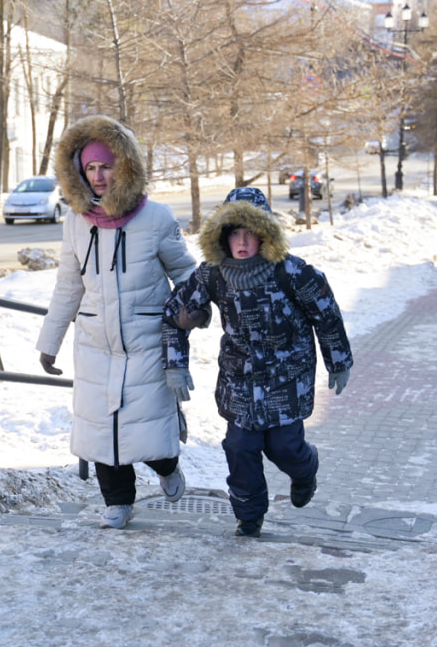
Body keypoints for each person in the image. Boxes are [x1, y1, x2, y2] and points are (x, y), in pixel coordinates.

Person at [36, 114, 198, 530]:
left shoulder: (157, 218)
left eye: (105, 165)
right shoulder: (75, 222)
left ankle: (167, 467)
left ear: (124, 165)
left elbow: (186, 274)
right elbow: (68, 286)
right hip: (94, 341)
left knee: (147, 429)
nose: (98, 176)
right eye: (89, 168)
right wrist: (49, 341)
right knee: (101, 429)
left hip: (146, 340)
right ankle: (118, 501)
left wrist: (194, 308)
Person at [162, 187, 353, 538]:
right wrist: (176, 363)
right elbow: (175, 314)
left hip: (287, 380)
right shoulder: (213, 274)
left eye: (251, 232)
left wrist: (338, 360)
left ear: (266, 234)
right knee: (240, 448)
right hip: (240, 381)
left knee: (284, 448)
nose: (243, 241)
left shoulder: (291, 272)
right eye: (235, 231)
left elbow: (326, 314)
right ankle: (249, 516)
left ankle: (305, 469)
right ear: (222, 235)